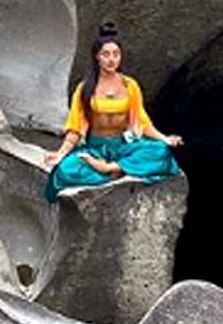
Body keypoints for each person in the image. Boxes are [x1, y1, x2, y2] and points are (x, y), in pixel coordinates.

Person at [44, 23, 182, 202]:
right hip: (97, 147)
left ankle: (110, 169)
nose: (111, 60)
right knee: (66, 169)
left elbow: (142, 122)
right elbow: (75, 128)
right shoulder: (85, 88)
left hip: (123, 145)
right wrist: (61, 153)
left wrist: (165, 139)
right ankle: (118, 169)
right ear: (97, 57)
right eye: (106, 54)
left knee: (160, 151)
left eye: (116, 54)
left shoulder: (129, 85)